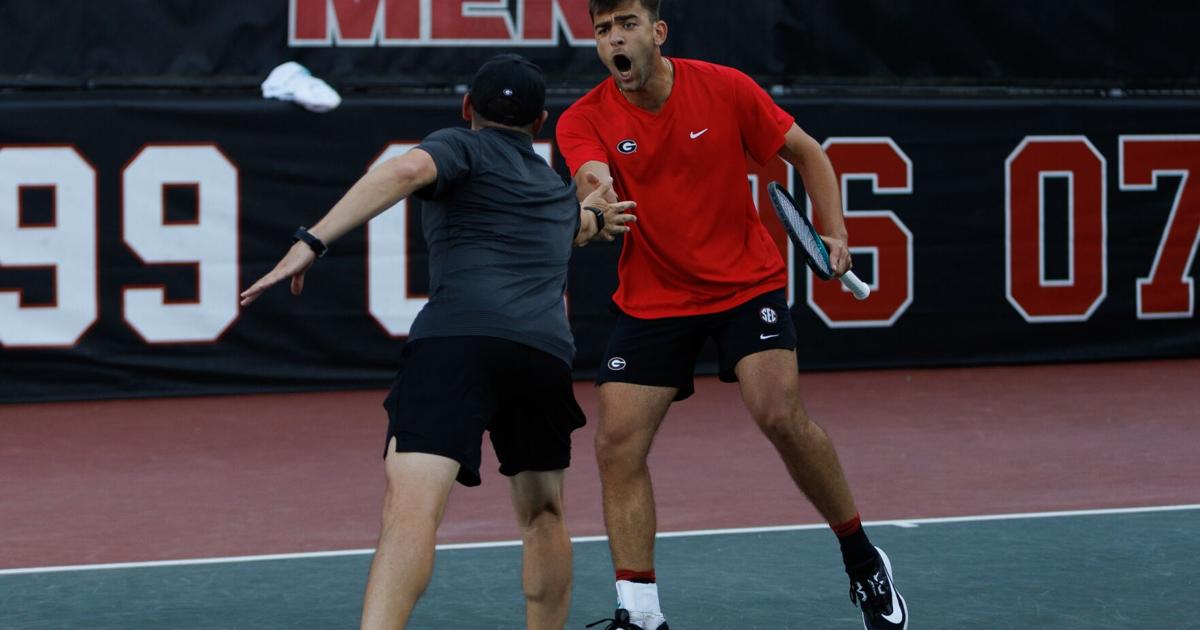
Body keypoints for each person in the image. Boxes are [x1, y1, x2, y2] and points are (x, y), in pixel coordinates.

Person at [240, 54, 635, 630]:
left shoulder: (460, 146)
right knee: (545, 514)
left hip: (456, 345)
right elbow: (577, 226)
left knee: (411, 514)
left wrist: (312, 241)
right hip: (542, 358)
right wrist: (598, 221)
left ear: (467, 108)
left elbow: (402, 173)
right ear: (541, 123)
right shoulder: (554, 194)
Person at [556, 2, 908, 629]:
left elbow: (809, 154)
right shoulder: (585, 117)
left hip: (746, 284)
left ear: (656, 33)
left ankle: (863, 560)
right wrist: (596, 199)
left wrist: (835, 232)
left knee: (779, 416)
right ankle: (640, 615)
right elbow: (591, 173)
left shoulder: (725, 88)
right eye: (604, 30)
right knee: (615, 444)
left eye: (627, 25)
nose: (615, 39)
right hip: (654, 296)